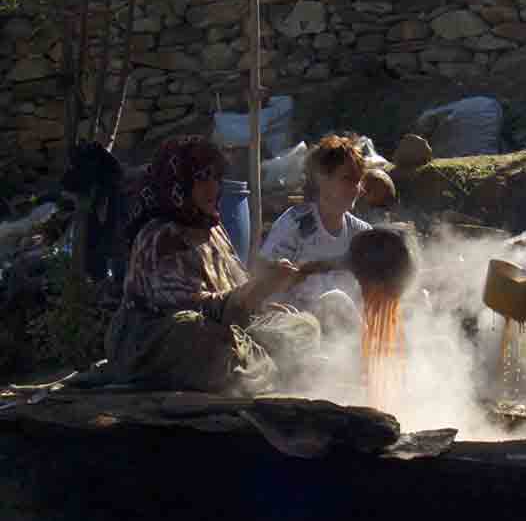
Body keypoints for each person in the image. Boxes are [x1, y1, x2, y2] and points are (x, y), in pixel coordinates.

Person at [105, 135, 321, 393]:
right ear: (179, 184)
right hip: (158, 341)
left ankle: (262, 365)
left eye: (216, 178)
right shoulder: (160, 237)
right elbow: (186, 309)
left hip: (226, 328)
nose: (213, 187)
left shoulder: (212, 228)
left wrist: (266, 286)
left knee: (304, 326)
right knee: (196, 334)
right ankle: (271, 368)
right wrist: (254, 291)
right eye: (201, 179)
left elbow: (238, 291)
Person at [260, 133, 371, 336]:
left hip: (347, 332)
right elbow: (264, 282)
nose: (354, 188)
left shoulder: (361, 234)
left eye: (357, 181)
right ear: (322, 179)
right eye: (347, 179)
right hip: (298, 328)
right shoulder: (295, 225)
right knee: (335, 301)